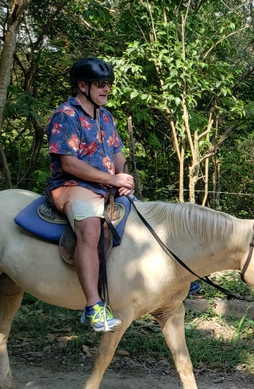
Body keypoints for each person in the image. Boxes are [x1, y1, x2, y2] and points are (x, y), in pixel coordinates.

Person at [46, 57, 134, 332]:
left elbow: (118, 154)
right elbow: (68, 163)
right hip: (71, 186)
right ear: (82, 85)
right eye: (100, 84)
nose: (106, 90)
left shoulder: (106, 116)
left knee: (144, 219)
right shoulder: (65, 115)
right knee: (90, 227)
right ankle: (93, 307)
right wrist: (112, 178)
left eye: (108, 85)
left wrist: (124, 180)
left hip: (105, 187)